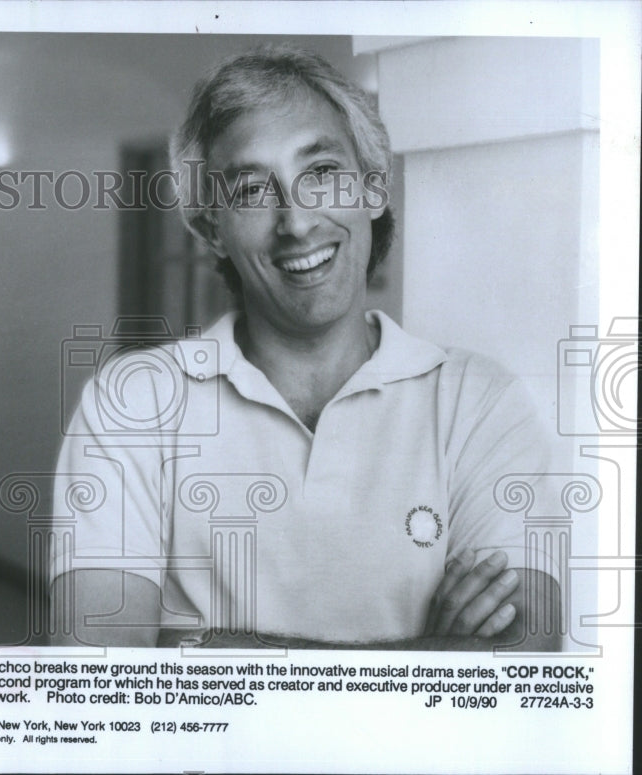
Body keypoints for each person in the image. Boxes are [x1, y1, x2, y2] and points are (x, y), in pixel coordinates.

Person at [49, 46, 561, 650]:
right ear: (211, 228)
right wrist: (436, 656)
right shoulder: (132, 402)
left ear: (374, 190)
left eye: (319, 173)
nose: (296, 221)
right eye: (250, 190)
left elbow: (527, 666)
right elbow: (98, 677)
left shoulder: (478, 401)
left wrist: (210, 649)